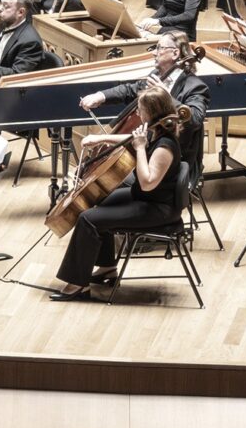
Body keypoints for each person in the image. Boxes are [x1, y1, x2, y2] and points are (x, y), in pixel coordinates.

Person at [49, 84, 186, 301]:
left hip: (157, 208)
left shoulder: (165, 147)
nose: (137, 114)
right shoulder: (156, 130)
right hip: (145, 197)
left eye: (140, 110)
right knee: (100, 201)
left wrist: (140, 149)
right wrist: (101, 138)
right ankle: (107, 267)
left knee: (88, 219)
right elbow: (132, 138)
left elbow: (148, 182)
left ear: (151, 112)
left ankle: (77, 284)